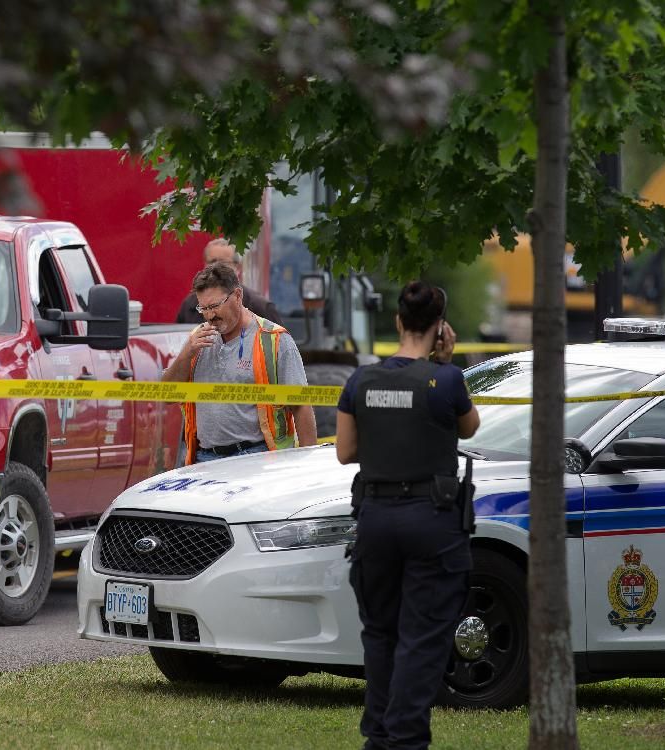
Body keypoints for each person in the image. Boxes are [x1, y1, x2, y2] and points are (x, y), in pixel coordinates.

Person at [335, 281, 480, 750]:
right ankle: (405, 740)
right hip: (431, 520)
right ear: (440, 327)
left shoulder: (361, 381)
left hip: (376, 518)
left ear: (397, 322)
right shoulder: (447, 380)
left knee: (380, 633)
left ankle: (379, 736)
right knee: (422, 636)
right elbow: (470, 426)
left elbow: (345, 452)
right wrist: (444, 362)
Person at [163, 262, 317, 464]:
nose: (210, 315)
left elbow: (301, 406)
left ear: (237, 296)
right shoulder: (197, 339)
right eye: (203, 308)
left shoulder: (274, 339)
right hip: (204, 458)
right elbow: (167, 395)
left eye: (215, 306)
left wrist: (309, 464)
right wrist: (186, 353)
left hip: (257, 457)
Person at [175, 238, 282, 325]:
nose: (215, 267)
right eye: (212, 261)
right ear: (204, 265)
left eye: (223, 263)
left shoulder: (260, 307)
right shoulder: (190, 305)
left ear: (238, 267)